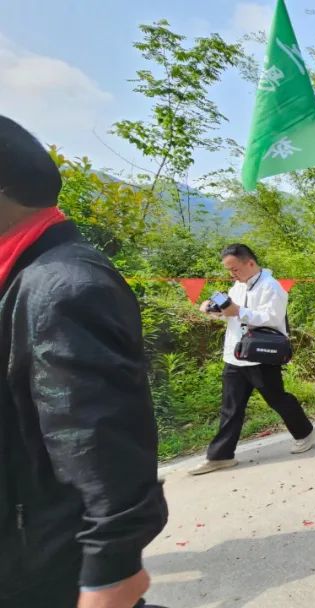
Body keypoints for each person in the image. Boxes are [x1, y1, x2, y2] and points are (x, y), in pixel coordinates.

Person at [0, 115, 168, 607]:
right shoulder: (22, 276)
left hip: (44, 567)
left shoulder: (63, 287)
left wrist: (110, 573)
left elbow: (99, 440)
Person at [190, 244, 315, 475]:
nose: (232, 274)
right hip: (235, 355)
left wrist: (238, 311)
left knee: (277, 398)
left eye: (235, 269)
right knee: (231, 407)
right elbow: (230, 312)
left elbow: (271, 318)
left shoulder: (272, 287)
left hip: (260, 355)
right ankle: (220, 456)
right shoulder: (237, 286)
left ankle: (305, 432)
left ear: (250, 263)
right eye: (229, 270)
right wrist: (213, 309)